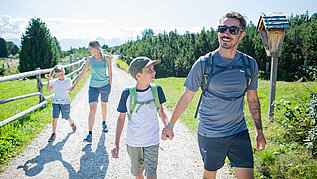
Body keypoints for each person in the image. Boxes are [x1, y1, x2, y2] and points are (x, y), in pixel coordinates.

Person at [161, 11, 266, 179]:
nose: (226, 33)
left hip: (238, 131)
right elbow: (187, 96)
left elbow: (252, 99)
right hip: (210, 133)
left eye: (233, 30)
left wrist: (259, 131)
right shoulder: (204, 63)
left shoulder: (249, 64)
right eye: (222, 28)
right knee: (209, 176)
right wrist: (170, 125)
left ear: (242, 35)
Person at [111, 57, 168, 179]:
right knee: (138, 174)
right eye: (149, 70)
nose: (154, 72)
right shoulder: (127, 94)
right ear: (138, 75)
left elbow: (161, 111)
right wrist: (116, 143)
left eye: (153, 69)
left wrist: (167, 126)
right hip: (134, 143)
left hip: (152, 141)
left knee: (152, 174)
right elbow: (121, 119)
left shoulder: (157, 90)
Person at [70, 40, 112, 143]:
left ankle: (104, 122)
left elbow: (110, 72)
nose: (88, 50)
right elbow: (83, 73)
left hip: (105, 86)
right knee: (92, 108)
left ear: (95, 48)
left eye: (90, 49)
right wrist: (74, 85)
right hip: (93, 87)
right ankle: (90, 134)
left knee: (103, 105)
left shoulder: (107, 58)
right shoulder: (89, 60)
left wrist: (110, 85)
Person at [45, 65, 77, 142]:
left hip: (65, 102)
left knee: (66, 117)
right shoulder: (55, 81)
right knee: (55, 117)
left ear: (64, 72)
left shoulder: (68, 80)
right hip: (56, 102)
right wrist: (49, 80)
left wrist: (72, 89)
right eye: (58, 75)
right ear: (56, 75)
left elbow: (70, 89)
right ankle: (53, 133)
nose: (60, 76)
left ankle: (71, 122)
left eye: (62, 74)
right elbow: (49, 89)